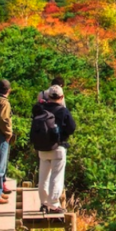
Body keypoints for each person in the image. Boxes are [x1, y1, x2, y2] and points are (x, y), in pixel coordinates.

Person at [33, 84, 76, 214]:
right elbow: (72, 128)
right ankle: (53, 204)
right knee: (56, 176)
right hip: (58, 148)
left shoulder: (40, 109)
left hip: (42, 148)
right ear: (61, 97)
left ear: (48, 96)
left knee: (43, 177)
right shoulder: (63, 111)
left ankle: (43, 203)